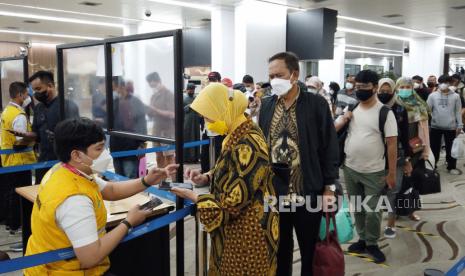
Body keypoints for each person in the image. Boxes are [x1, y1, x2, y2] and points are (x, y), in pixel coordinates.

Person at [24, 117, 178, 275]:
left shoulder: (65, 170)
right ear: (76, 155)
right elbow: (90, 257)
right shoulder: (74, 199)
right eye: (98, 149)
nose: (105, 155)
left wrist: (146, 181)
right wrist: (128, 223)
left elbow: (110, 189)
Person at [171, 83, 279, 275]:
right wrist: (206, 177)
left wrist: (195, 198)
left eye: (208, 115)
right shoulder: (238, 132)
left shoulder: (248, 143)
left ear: (224, 110)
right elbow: (235, 169)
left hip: (248, 236)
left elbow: (233, 203)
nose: (206, 123)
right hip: (238, 231)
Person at [259, 52, 338, 275]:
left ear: (295, 74)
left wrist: (328, 187)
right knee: (279, 248)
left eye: (279, 75)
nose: (274, 80)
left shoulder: (316, 104)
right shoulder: (266, 105)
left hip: (307, 190)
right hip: (275, 193)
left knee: (309, 251)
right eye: (271, 75)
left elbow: (329, 147)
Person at [341, 70, 398, 263]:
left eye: (364, 87)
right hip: (350, 168)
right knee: (357, 207)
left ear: (374, 87)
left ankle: (372, 243)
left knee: (373, 210)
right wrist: (344, 118)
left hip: (374, 171)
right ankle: (362, 239)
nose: (359, 90)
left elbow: (391, 144)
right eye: (357, 87)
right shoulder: (353, 107)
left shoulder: (385, 113)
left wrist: (391, 173)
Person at [14, 71, 80, 184]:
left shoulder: (67, 106)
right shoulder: (39, 108)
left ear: (50, 86)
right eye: (34, 90)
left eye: (39, 89)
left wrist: (58, 137)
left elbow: (76, 135)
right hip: (43, 162)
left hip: (63, 163)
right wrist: (25, 135)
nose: (36, 94)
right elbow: (36, 134)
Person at [377, 78, 413, 239]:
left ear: (393, 91)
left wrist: (407, 159)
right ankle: (373, 223)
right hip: (375, 156)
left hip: (396, 155)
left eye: (388, 91)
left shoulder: (400, 109)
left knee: (393, 190)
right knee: (376, 191)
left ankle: (391, 223)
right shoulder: (372, 107)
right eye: (381, 91)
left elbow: (405, 136)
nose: (384, 94)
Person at [0, 82, 37, 237]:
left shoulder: (7, 111)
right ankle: (18, 226)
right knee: (20, 195)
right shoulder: (19, 115)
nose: (28, 97)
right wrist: (34, 138)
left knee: (11, 193)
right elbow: (19, 141)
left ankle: (11, 224)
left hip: (8, 160)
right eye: (26, 94)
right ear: (20, 95)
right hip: (20, 161)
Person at [395, 77, 431, 221]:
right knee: (397, 181)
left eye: (407, 87)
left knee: (413, 181)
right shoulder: (393, 104)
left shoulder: (419, 104)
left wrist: (426, 150)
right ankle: (394, 211)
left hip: (415, 147)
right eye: (401, 87)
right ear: (397, 88)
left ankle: (411, 211)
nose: (404, 90)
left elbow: (425, 130)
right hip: (398, 146)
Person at [110, 77, 147, 179]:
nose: (114, 91)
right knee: (118, 177)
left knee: (130, 177)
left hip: (131, 146)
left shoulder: (136, 102)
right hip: (116, 146)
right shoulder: (114, 102)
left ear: (121, 87)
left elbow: (141, 123)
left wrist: (142, 143)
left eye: (114, 88)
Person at [427, 74, 463, 175]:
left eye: (446, 82)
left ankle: (451, 166)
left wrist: (460, 125)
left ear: (450, 83)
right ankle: (433, 166)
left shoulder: (456, 96)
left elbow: (458, 111)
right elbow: (427, 110)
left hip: (450, 127)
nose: (443, 85)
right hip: (435, 126)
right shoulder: (432, 96)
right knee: (434, 148)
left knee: (451, 147)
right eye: (441, 82)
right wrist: (429, 122)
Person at [146, 72, 175, 169]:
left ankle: (175, 181)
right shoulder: (153, 96)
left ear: (157, 81)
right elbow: (152, 113)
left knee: (169, 158)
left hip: (167, 131)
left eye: (151, 83)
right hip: (156, 130)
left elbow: (172, 114)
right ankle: (162, 179)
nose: (151, 86)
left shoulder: (168, 94)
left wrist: (156, 110)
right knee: (158, 157)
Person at [183, 83, 201, 163]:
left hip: (196, 122)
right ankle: (186, 158)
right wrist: (189, 106)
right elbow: (181, 110)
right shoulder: (183, 99)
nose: (192, 90)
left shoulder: (196, 98)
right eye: (191, 89)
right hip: (187, 123)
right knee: (187, 138)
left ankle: (195, 158)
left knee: (196, 138)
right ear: (187, 90)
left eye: (193, 89)